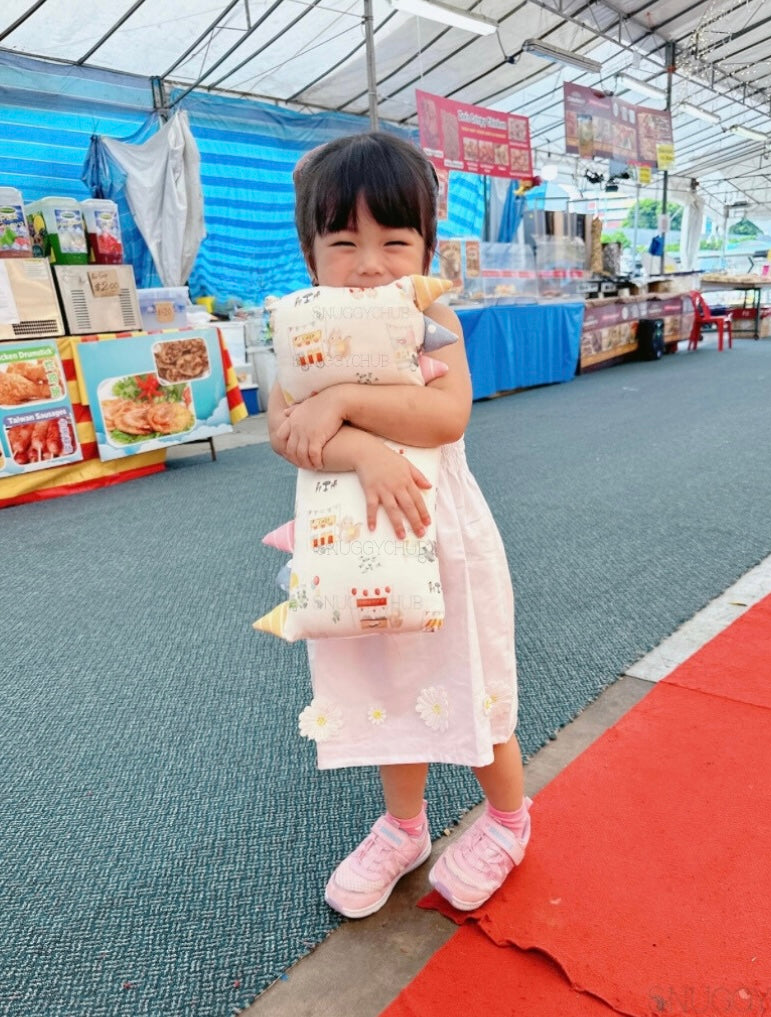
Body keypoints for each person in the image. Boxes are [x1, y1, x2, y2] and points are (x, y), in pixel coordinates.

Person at [267, 131, 529, 919]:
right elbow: (285, 428)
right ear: (311, 252)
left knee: (473, 681)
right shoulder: (298, 326)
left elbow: (445, 414)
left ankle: (510, 819)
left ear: (425, 249)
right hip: (354, 551)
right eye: (343, 241)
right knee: (390, 685)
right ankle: (404, 826)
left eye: (394, 240)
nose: (371, 262)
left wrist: (343, 403)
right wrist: (357, 449)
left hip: (441, 539)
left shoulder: (427, 314)